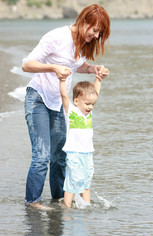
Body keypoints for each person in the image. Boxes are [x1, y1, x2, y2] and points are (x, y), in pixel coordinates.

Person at [22, 4, 110, 209]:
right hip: (38, 99)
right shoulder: (56, 37)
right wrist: (53, 67)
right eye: (95, 30)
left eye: (100, 33)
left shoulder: (81, 42)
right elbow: (27, 64)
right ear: (83, 21)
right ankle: (32, 202)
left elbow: (76, 64)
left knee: (61, 156)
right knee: (42, 155)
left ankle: (59, 200)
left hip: (58, 105)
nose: (96, 36)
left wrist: (92, 68)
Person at [59, 68, 109, 208]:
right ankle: (67, 207)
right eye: (87, 104)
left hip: (87, 153)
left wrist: (98, 79)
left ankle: (87, 208)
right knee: (72, 182)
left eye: (92, 104)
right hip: (74, 153)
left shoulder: (88, 112)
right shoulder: (72, 112)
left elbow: (95, 93)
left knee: (86, 183)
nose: (91, 107)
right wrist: (62, 80)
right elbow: (64, 96)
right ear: (76, 101)